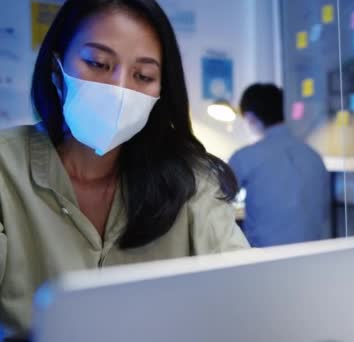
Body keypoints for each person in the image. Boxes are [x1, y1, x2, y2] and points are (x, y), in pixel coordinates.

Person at [0, 0, 249, 334]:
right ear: (56, 68)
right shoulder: (6, 168)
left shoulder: (191, 181)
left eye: (143, 75)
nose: (119, 90)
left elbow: (247, 293)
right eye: (99, 63)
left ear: (161, 91)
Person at [229, 84, 330, 247]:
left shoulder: (245, 157)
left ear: (250, 117)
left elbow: (217, 200)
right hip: (313, 256)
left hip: (266, 261)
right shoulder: (313, 156)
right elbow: (323, 212)